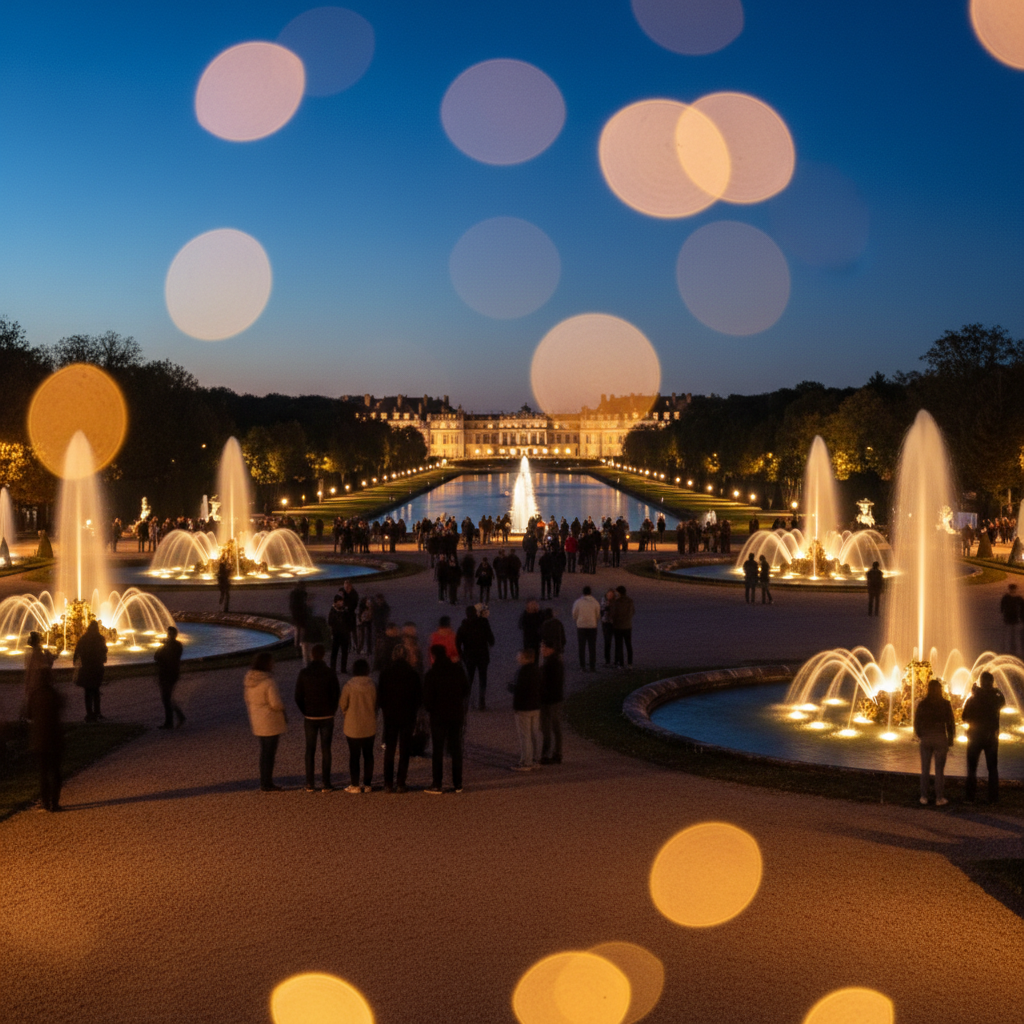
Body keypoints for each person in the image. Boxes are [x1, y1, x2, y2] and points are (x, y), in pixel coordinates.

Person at [422, 645, 470, 793]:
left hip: (438, 717)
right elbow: (466, 690)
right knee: (456, 749)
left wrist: (430, 709)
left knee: (438, 750)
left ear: (433, 656)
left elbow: (427, 699)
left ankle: (437, 783)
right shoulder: (458, 670)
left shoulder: (432, 674)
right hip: (456, 715)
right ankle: (458, 783)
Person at [294, 644, 341, 792]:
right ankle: (326, 783)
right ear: (323, 655)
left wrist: (305, 710)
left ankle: (310, 783)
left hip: (310, 715)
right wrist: (332, 710)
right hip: (326, 715)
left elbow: (298, 697)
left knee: (310, 749)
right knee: (326, 749)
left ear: (312, 655)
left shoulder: (304, 673)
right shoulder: (329, 672)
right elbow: (336, 694)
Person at [377, 645, 422, 792]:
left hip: (390, 716)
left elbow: (380, 696)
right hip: (408, 716)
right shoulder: (413, 674)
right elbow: (418, 697)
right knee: (404, 750)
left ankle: (388, 783)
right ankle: (401, 782)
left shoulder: (385, 673)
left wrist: (384, 709)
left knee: (389, 750)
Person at [243, 652, 287, 792]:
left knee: (264, 753)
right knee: (270, 753)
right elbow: (275, 703)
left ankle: (264, 781)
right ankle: (268, 783)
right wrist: (282, 707)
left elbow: (247, 699)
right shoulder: (268, 682)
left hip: (257, 720)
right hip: (270, 721)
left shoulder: (249, 680)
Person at [962, 670, 1006, 803]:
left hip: (975, 737)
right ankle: (993, 798)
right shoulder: (996, 697)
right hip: (991, 738)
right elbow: (1003, 702)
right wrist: (995, 690)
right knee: (992, 768)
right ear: (992, 683)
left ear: (981, 683)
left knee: (972, 768)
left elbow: (964, 717)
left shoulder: (973, 698)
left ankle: (970, 797)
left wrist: (975, 693)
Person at [28, 662, 64, 812]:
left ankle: (46, 802)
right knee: (55, 771)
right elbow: (60, 709)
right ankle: (55, 803)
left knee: (43, 773)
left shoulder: (34, 694)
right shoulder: (54, 694)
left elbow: (29, 714)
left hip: (40, 739)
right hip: (54, 737)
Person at [914, 677, 955, 806]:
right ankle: (939, 798)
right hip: (940, 738)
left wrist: (921, 735)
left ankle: (924, 797)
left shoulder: (923, 704)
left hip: (926, 738)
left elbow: (917, 722)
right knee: (939, 770)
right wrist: (950, 738)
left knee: (925, 769)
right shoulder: (945, 704)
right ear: (940, 690)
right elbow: (950, 723)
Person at [339, 658, 377, 793]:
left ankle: (355, 784)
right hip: (369, 725)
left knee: (354, 756)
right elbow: (376, 704)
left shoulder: (349, 686)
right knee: (368, 755)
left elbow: (343, 703)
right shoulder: (373, 685)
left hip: (352, 726)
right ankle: (367, 783)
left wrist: (346, 713)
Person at [457, 605, 494, 710]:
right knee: (483, 678)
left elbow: (457, 643)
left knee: (469, 678)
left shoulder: (463, 627)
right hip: (483, 655)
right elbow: (491, 639)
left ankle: (466, 702)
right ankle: (482, 701)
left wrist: (462, 655)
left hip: (469, 656)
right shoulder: (483, 623)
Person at [509, 648, 542, 770]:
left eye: (519, 656)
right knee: (534, 734)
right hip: (535, 706)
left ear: (525, 658)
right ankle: (534, 759)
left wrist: (512, 688)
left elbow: (520, 690)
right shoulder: (537, 670)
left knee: (525, 736)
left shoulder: (522, 671)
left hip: (524, 708)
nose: (517, 658)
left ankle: (526, 762)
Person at [73, 619, 108, 722]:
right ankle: (97, 713)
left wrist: (75, 662)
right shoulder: (100, 638)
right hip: (97, 667)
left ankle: (89, 714)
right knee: (96, 691)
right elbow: (104, 650)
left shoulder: (83, 638)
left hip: (86, 667)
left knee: (88, 692)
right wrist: (103, 658)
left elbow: (77, 651)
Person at [154, 626, 185, 729]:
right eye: (168, 634)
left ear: (173, 635)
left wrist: (162, 645)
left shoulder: (171, 646)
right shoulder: (177, 645)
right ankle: (172, 720)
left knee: (166, 698)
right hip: (171, 674)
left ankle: (173, 720)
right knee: (167, 698)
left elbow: (157, 657)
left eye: (169, 634)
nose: (168, 636)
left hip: (167, 674)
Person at [539, 641, 564, 765]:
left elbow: (545, 683)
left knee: (546, 727)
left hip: (548, 700)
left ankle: (546, 754)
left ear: (551, 649)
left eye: (544, 647)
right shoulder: (557, 662)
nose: (541, 649)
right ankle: (557, 752)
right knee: (556, 726)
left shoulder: (549, 664)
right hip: (556, 699)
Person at [572, 585, 601, 671]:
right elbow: (598, 614)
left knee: (582, 647)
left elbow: (574, 614)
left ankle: (582, 666)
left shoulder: (578, 602)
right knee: (592, 647)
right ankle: (592, 665)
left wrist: (578, 620)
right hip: (592, 626)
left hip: (581, 626)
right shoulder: (595, 602)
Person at [611, 585, 635, 669]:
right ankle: (630, 663)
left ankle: (621, 664)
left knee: (619, 645)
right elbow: (632, 612)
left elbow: (613, 614)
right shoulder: (630, 601)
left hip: (618, 626)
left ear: (619, 593)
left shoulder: (616, 602)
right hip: (627, 626)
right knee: (628, 645)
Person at [327, 594, 351, 674]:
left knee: (344, 652)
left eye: (342, 601)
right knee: (334, 652)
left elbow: (348, 620)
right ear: (336, 602)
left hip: (344, 634)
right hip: (336, 634)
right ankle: (332, 668)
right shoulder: (333, 611)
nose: (341, 603)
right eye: (340, 601)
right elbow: (330, 622)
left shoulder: (345, 610)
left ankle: (343, 669)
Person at [999, 583, 1023, 654]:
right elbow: (1002, 607)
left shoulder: (1010, 598)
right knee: (1011, 634)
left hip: (1013, 618)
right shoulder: (1016, 598)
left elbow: (1002, 608)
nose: (1013, 591)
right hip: (1010, 618)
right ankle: (1011, 650)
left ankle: (1011, 649)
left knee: (1013, 634)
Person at [600, 588, 616, 668]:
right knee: (607, 642)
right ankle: (607, 660)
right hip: (605, 623)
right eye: (608, 594)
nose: (609, 596)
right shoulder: (603, 600)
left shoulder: (615, 602)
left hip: (613, 623)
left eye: (611, 595)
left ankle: (617, 660)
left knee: (616, 642)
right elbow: (601, 610)